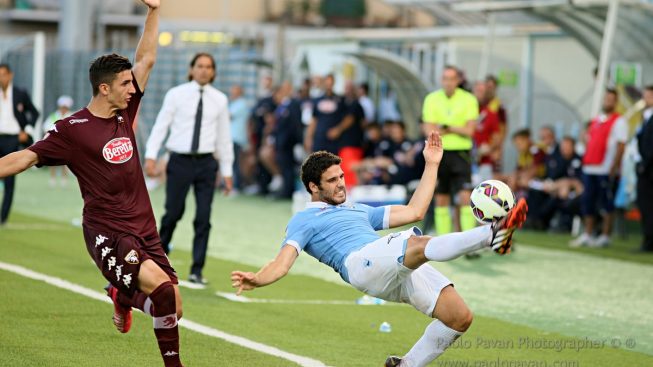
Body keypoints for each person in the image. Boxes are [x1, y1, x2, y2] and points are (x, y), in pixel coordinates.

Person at [231, 132, 527, 367]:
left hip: (388, 266)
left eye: (342, 177)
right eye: (332, 181)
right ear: (313, 187)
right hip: (360, 263)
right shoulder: (303, 219)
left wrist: (432, 164)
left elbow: (415, 211)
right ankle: (492, 234)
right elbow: (282, 263)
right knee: (417, 245)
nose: (341, 184)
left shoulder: (357, 209)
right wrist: (258, 278)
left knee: (459, 317)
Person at [0, 2, 184, 366]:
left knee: (173, 307)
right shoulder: (71, 130)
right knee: (161, 291)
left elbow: (145, 60)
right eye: (125, 84)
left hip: (144, 226)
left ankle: (121, 294)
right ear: (104, 88)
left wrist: (154, 12)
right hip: (108, 230)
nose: (134, 89)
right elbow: (25, 157)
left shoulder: (124, 112)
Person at [145, 52, 234, 285]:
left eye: (208, 66)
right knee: (173, 213)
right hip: (179, 161)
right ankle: (157, 260)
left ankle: (197, 269)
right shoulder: (176, 94)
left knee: (203, 217)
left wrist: (227, 171)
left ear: (213, 71)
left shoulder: (220, 100)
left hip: (206, 163)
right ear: (191, 69)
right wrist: (151, 156)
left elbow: (224, 137)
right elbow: (161, 125)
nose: (204, 70)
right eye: (200, 65)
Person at [422, 66, 479, 235]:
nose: (448, 82)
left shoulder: (469, 99)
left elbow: (470, 131)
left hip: (461, 153)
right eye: (445, 78)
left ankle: (469, 241)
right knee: (441, 198)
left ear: (458, 80)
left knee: (465, 197)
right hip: (439, 153)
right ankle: (443, 241)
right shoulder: (432, 99)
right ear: (441, 80)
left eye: (452, 78)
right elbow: (429, 131)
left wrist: (445, 127)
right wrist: (457, 128)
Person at [570, 89, 627, 248]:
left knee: (606, 202)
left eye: (611, 99)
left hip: (605, 169)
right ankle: (587, 234)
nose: (607, 102)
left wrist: (614, 167)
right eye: (606, 98)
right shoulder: (596, 121)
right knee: (588, 201)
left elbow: (621, 146)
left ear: (615, 102)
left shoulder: (619, 121)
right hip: (590, 168)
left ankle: (605, 236)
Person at [0, 63, 40, 225]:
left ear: (10, 75)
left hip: (12, 138)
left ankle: (3, 218)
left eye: (3, 74)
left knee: (9, 179)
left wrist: (27, 131)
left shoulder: (20, 93)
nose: (1, 78)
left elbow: (34, 112)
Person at [636, 85, 653, 252]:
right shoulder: (646, 117)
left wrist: (644, 165)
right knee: (644, 205)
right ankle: (648, 239)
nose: (646, 99)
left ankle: (649, 242)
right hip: (646, 168)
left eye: (649, 95)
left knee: (648, 206)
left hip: (649, 170)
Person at [43, 95, 73, 187]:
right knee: (53, 161)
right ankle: (53, 179)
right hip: (55, 142)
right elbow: (46, 127)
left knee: (66, 162)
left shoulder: (72, 116)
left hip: (68, 143)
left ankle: (64, 179)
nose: (64, 109)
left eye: (66, 107)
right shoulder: (53, 116)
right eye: (62, 107)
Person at [229, 84, 249, 193]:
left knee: (235, 163)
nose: (231, 93)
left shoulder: (241, 104)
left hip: (236, 137)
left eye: (234, 91)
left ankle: (237, 186)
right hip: (232, 137)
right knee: (233, 162)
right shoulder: (234, 104)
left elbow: (228, 116)